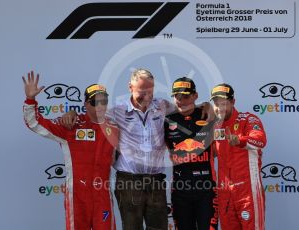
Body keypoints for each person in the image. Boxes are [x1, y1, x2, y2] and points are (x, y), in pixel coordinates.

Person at [61, 69, 214, 230]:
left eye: (150, 91)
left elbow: (185, 107)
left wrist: (207, 105)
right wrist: (72, 113)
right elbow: (93, 117)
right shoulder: (117, 111)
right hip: (128, 182)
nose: (147, 96)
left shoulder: (162, 106)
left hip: (155, 181)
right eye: (142, 91)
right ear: (130, 87)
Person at [22, 71, 118, 230]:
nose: (101, 106)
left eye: (104, 101)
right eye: (95, 102)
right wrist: (30, 99)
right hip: (77, 198)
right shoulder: (71, 125)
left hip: (102, 198)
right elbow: (34, 123)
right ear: (86, 104)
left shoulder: (114, 128)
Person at [164, 77, 218, 230]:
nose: (181, 100)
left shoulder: (208, 116)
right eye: (177, 97)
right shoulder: (167, 121)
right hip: (181, 190)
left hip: (207, 190)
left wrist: (208, 106)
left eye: (186, 96)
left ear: (195, 96)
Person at [211, 83, 267, 230]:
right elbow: (208, 154)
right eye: (216, 104)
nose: (220, 108)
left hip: (247, 192)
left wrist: (239, 140)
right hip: (224, 193)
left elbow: (261, 140)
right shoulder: (214, 126)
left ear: (233, 102)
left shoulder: (248, 119)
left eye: (224, 103)